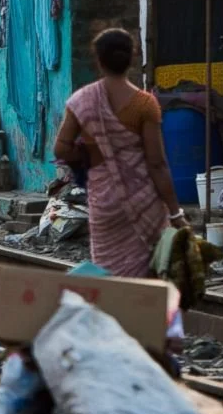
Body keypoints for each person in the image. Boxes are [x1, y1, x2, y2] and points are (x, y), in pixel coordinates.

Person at [54, 28, 188, 278]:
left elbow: (60, 149)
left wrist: (89, 154)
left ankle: (114, 311)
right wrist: (175, 213)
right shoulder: (145, 104)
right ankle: (142, 314)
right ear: (132, 58)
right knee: (148, 271)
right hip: (144, 201)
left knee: (108, 271)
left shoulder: (81, 101)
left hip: (104, 203)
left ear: (99, 60)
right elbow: (157, 164)